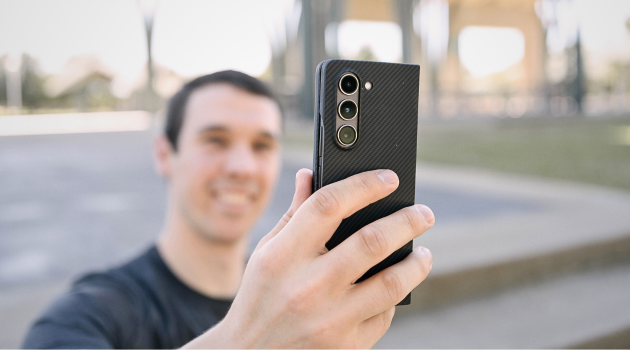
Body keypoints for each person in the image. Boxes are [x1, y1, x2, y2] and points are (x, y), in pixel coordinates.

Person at [23, 70, 435, 349]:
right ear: (166, 154)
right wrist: (245, 341)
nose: (242, 167)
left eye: (262, 145)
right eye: (215, 140)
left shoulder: (314, 315)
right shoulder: (89, 313)